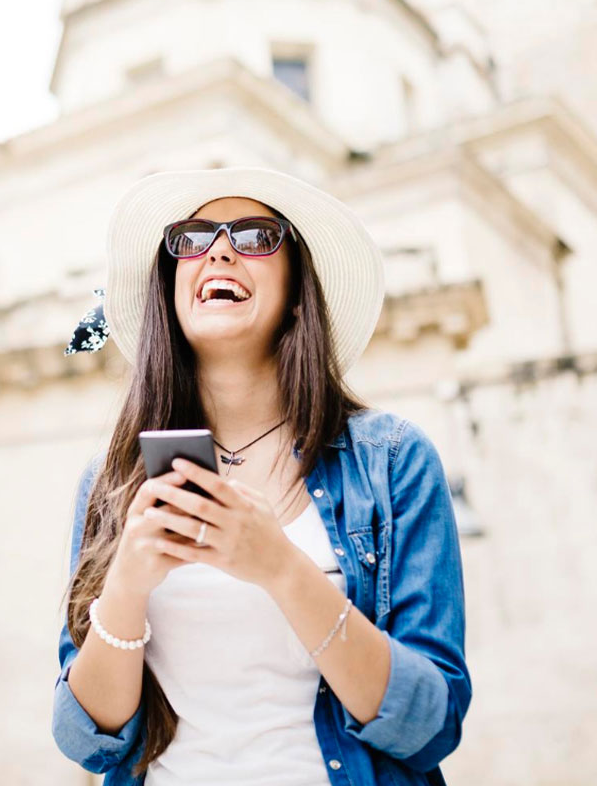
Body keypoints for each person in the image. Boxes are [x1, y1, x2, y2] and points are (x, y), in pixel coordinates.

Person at [52, 166, 471, 785]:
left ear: (299, 290)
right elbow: (87, 740)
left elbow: (430, 726)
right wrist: (128, 581)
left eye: (254, 236)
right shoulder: (112, 480)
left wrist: (277, 565)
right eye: (191, 238)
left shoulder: (391, 460)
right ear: (172, 288)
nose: (218, 249)